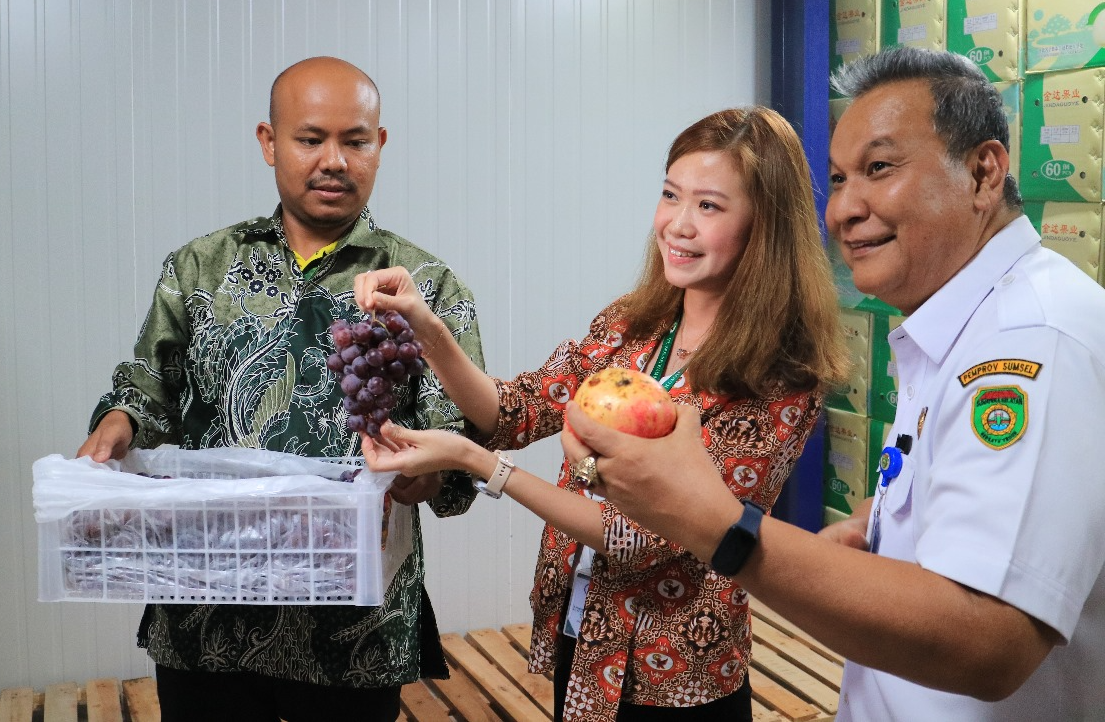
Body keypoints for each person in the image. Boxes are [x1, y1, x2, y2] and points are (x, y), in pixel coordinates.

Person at [560, 46, 1105, 721]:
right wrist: (888, 537)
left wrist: (716, 523)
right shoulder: (957, 327)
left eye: (878, 169)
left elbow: (988, 642)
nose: (842, 210)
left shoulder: (1029, 344)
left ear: (982, 172)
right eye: (839, 179)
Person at [353, 107, 849, 722]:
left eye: (710, 207)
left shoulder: (780, 375)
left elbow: (648, 539)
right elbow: (516, 409)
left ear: (765, 226)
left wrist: (474, 461)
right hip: (583, 633)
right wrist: (427, 328)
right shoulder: (633, 324)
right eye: (671, 195)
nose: (678, 225)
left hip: (674, 674)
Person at [76, 56, 485, 722]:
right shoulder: (200, 266)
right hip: (206, 617)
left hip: (353, 633)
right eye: (309, 138)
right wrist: (120, 419)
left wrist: (429, 476)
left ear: (378, 146)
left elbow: (457, 434)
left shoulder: (422, 286)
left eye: (354, 140)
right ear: (269, 142)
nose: (333, 160)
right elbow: (151, 382)